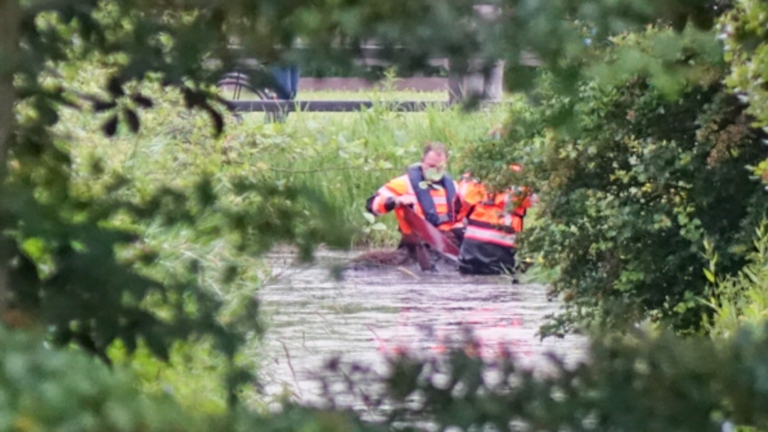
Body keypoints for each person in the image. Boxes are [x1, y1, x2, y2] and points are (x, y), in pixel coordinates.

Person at [364, 142, 464, 268]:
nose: (435, 171)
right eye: (431, 166)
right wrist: (395, 201)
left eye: (440, 167)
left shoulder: (455, 187)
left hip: (448, 246)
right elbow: (372, 206)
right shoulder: (403, 184)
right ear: (422, 161)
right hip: (416, 246)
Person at [456, 166, 533, 275]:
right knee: (501, 285)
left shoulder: (477, 170)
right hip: (501, 248)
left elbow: (462, 197)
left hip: (471, 246)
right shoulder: (520, 175)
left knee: (469, 283)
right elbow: (534, 199)